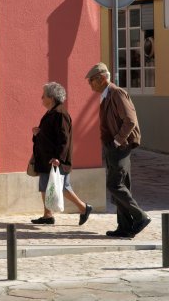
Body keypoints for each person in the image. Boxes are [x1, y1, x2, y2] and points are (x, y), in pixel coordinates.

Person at [85, 62, 151, 238]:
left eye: (91, 80)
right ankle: (124, 227)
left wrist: (117, 140)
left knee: (115, 185)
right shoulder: (107, 95)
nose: (89, 84)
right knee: (122, 185)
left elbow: (130, 120)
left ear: (101, 78)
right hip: (113, 147)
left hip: (119, 146)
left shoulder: (116, 93)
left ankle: (140, 217)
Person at [31, 82, 92, 225]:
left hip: (55, 158)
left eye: (43, 96)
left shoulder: (60, 114)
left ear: (51, 98)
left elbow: (64, 139)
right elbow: (49, 135)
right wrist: (37, 134)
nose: (41, 98)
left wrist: (58, 158)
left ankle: (84, 208)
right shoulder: (52, 112)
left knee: (62, 187)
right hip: (47, 157)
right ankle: (47, 215)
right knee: (46, 185)